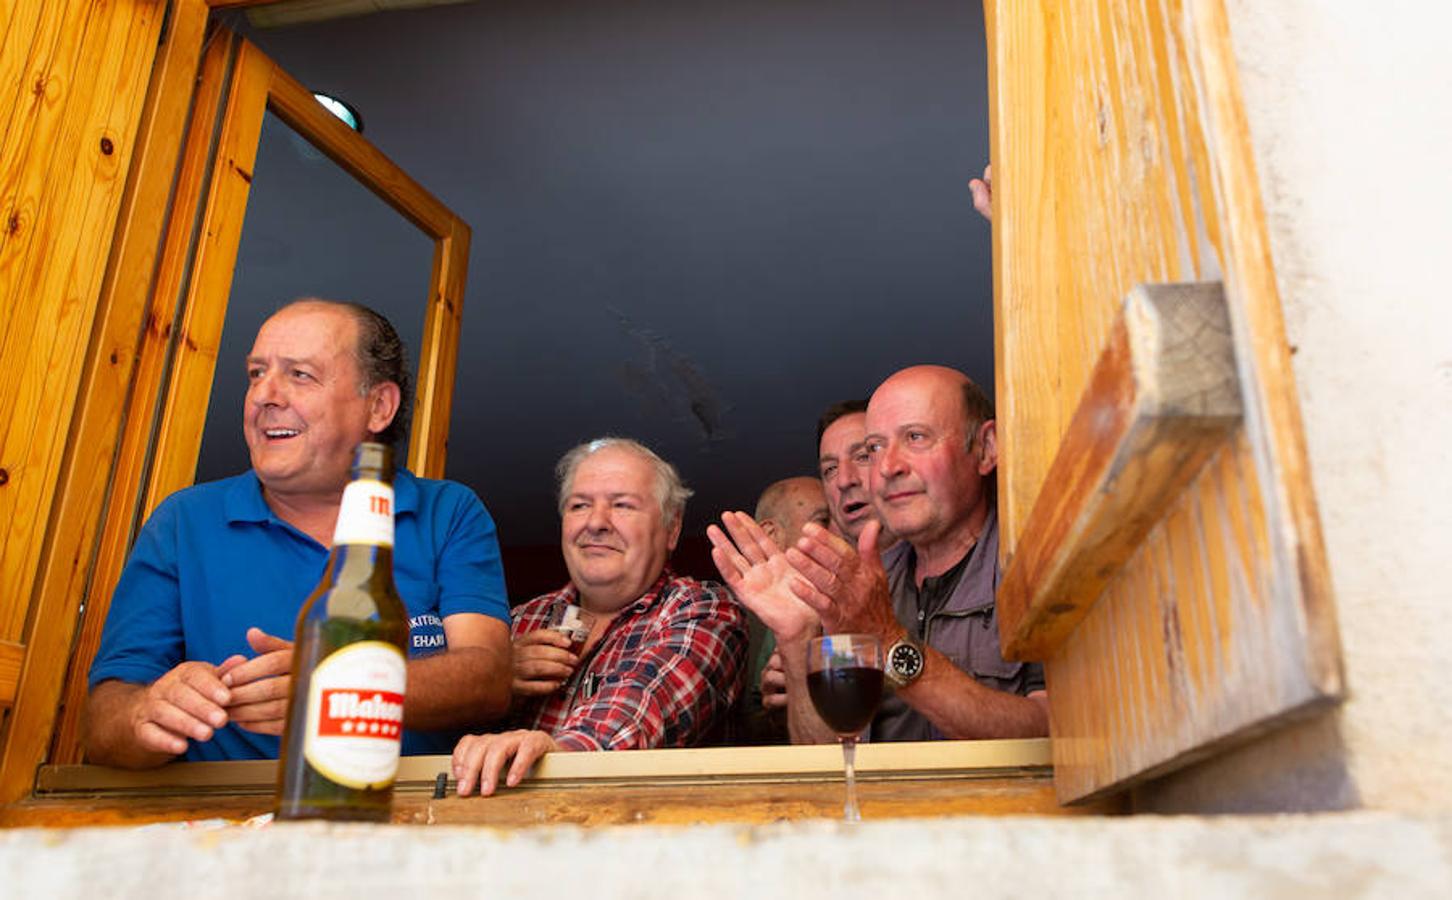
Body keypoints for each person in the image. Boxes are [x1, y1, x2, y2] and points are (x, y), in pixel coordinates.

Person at [84, 299, 512, 768]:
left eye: (299, 374)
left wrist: (339, 686)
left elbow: (488, 679)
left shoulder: (448, 512)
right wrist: (147, 714)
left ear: (379, 406)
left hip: (406, 820)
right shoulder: (183, 521)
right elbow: (104, 723)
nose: (264, 395)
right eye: (255, 373)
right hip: (221, 825)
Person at [709, 365, 1047, 744]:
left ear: (986, 448)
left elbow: (1063, 738)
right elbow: (832, 758)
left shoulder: (1041, 563)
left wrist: (888, 641)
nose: (886, 468)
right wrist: (797, 637)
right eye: (875, 448)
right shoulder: (858, 590)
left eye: (916, 437)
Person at [451, 437, 747, 797]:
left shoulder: (702, 609)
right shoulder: (518, 622)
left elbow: (642, 701)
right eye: (579, 505)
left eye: (622, 505)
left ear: (671, 529)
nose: (596, 522)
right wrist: (494, 680)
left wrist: (558, 752)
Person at [741, 476, 830, 743]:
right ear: (770, 536)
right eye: (824, 521)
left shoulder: (853, 605)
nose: (840, 532)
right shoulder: (727, 623)